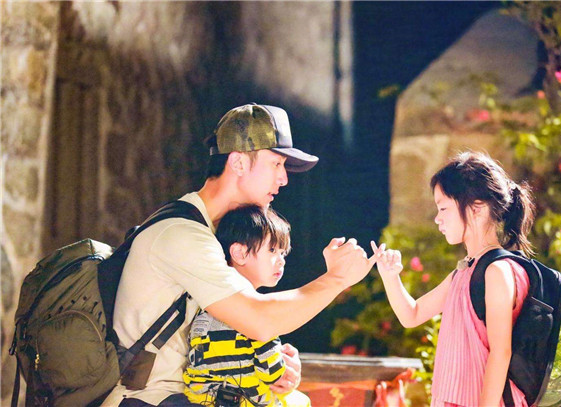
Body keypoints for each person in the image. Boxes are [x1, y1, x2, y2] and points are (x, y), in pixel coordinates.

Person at [102, 103, 376, 406]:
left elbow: (242, 331)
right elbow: (258, 319)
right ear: (239, 163)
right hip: (149, 399)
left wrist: (275, 366)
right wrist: (336, 279)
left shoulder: (214, 233)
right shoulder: (182, 235)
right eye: (276, 163)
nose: (284, 179)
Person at [372, 152, 535, 407]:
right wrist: (390, 276)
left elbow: (501, 353)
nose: (438, 218)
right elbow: (412, 315)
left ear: (476, 209)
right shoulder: (465, 272)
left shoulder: (497, 272)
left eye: (443, 208)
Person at [184, 204, 309, 407]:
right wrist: (283, 362)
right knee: (300, 402)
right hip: (243, 401)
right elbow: (272, 373)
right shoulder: (254, 313)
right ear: (239, 253)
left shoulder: (209, 304)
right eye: (272, 250)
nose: (281, 261)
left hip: (200, 400)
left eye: (283, 253)